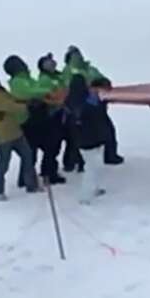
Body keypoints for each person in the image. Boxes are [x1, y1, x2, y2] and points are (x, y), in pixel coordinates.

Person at [3, 55, 65, 185]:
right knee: (34, 151)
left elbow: (34, 90)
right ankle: (28, 179)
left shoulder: (27, 79)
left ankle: (47, 173)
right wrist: (46, 92)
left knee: (49, 146)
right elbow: (27, 93)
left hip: (38, 118)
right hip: (29, 121)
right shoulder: (17, 81)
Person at [0, 69, 38, 200]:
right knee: (4, 163)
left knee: (28, 156)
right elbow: (9, 105)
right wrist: (26, 107)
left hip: (15, 131)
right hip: (4, 136)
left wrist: (25, 102)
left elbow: (12, 100)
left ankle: (31, 184)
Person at [61, 45, 123, 167]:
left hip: (97, 105)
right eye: (74, 55)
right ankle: (73, 161)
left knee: (108, 130)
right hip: (79, 108)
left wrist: (103, 81)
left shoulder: (90, 68)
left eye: (78, 54)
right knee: (76, 136)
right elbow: (69, 86)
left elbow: (103, 79)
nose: (78, 57)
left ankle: (110, 155)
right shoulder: (68, 71)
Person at [64, 74, 110, 204]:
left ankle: (94, 188)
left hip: (85, 138)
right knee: (91, 168)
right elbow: (96, 114)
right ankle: (84, 197)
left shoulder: (71, 101)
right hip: (90, 138)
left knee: (94, 166)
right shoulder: (87, 101)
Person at [36, 53, 67, 183]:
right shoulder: (45, 80)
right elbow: (47, 96)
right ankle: (48, 173)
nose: (53, 64)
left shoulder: (57, 76)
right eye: (49, 63)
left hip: (60, 114)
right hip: (51, 116)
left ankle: (49, 171)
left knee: (56, 145)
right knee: (52, 146)